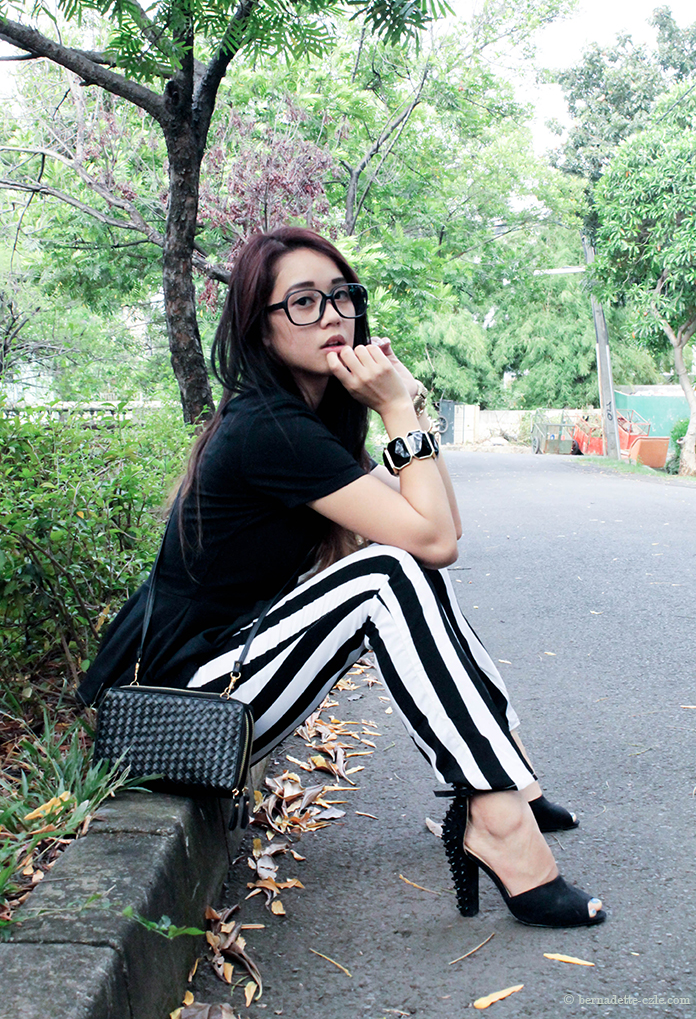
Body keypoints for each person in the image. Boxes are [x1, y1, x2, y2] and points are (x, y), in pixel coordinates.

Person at [78, 227, 605, 928]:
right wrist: (395, 410)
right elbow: (435, 540)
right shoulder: (266, 428)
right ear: (261, 329)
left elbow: (436, 528)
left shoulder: (305, 422)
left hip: (229, 674)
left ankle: (510, 782)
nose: (332, 315)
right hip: (183, 703)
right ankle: (500, 820)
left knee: (401, 569)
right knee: (386, 573)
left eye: (341, 296)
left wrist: (408, 407)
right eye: (302, 302)